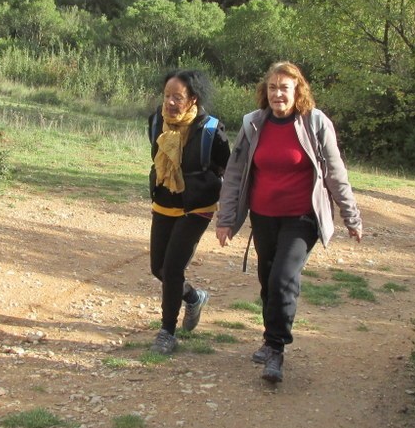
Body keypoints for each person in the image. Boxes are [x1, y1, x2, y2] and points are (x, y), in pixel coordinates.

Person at [216, 61, 362, 384]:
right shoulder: (253, 124)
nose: (277, 94)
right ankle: (271, 338)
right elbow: (235, 173)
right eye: (272, 88)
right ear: (264, 92)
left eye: (284, 88)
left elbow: (336, 174)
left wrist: (351, 216)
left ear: (298, 91)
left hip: (302, 217)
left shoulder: (315, 123)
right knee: (268, 279)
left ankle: (276, 349)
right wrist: (225, 220)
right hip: (263, 215)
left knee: (283, 276)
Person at [148, 69, 231, 355]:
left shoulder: (211, 129)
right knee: (158, 268)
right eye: (167, 96)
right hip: (164, 202)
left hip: (197, 207)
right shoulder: (157, 121)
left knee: (172, 269)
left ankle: (167, 332)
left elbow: (227, 168)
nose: (170, 102)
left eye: (178, 97)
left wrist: (227, 212)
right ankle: (194, 298)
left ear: (193, 99)